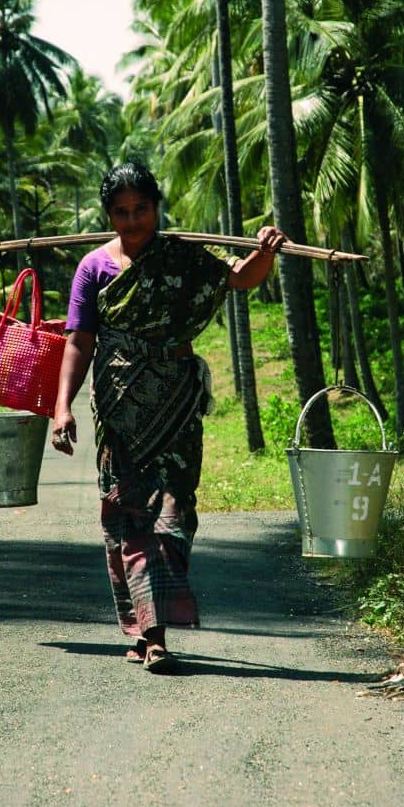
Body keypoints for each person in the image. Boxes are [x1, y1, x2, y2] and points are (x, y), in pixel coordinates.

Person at [52, 163, 286, 674]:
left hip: (176, 407)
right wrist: (61, 406)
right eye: (121, 212)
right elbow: (79, 340)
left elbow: (240, 278)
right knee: (128, 516)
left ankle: (150, 624)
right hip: (119, 409)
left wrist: (265, 251)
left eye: (141, 209)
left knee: (174, 515)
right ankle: (151, 634)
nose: (132, 221)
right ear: (108, 215)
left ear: (156, 207)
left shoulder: (183, 256)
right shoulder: (94, 267)